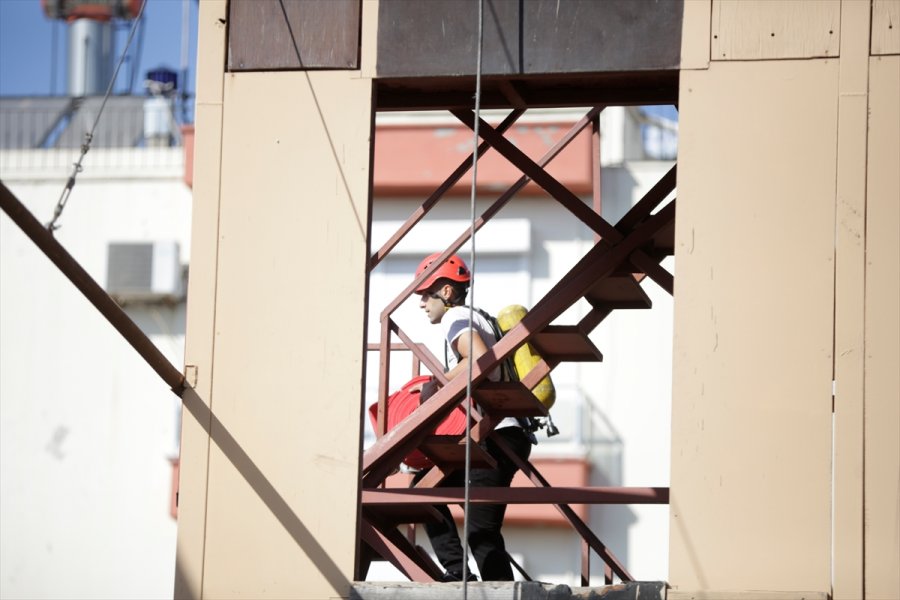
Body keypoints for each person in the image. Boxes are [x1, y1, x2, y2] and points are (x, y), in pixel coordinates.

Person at [412, 252, 533, 582]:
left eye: (426, 294)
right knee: (425, 489)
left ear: (447, 293)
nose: (422, 303)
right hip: (498, 435)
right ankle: (456, 570)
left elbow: (478, 359)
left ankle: (484, 584)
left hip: (496, 437)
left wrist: (439, 383)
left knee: (481, 531)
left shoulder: (456, 319)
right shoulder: (477, 316)